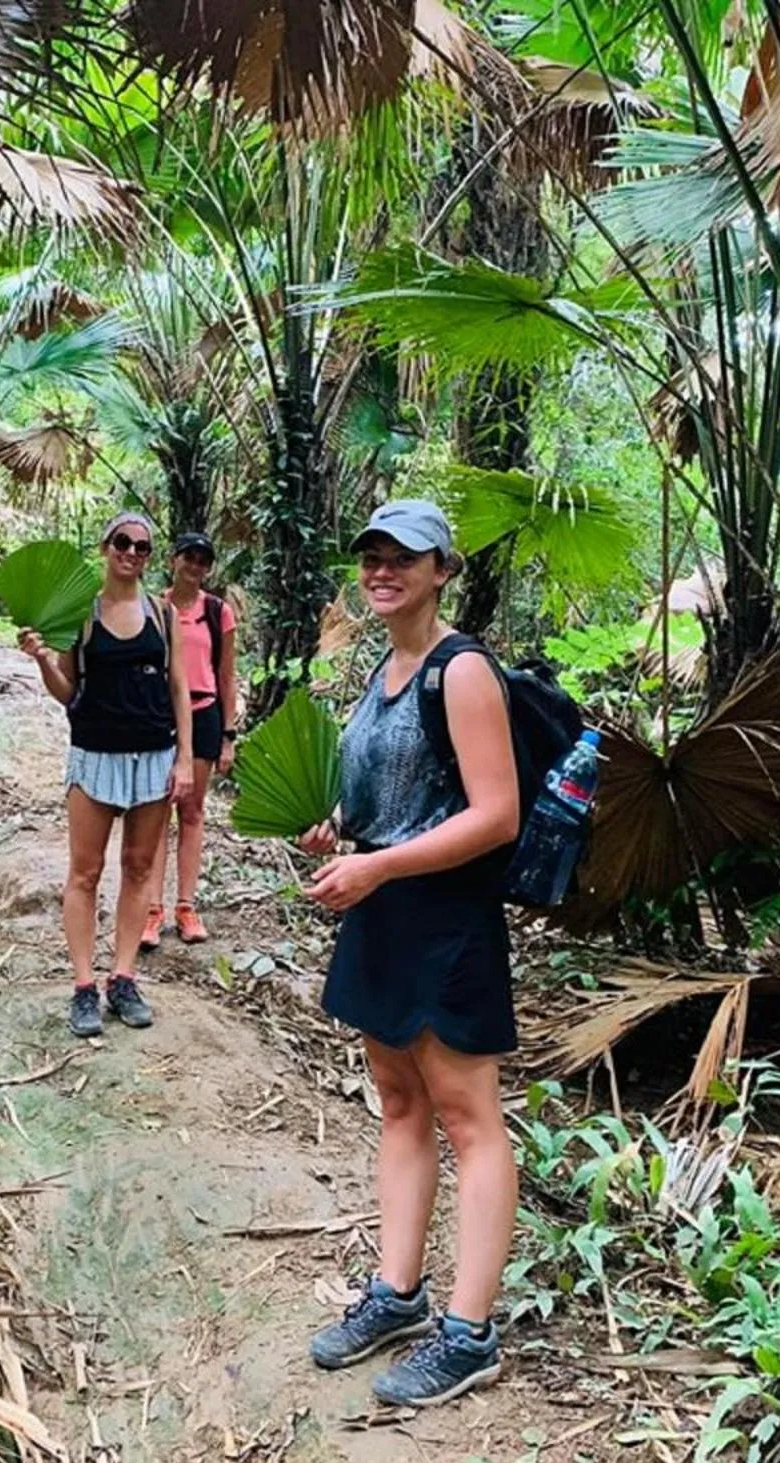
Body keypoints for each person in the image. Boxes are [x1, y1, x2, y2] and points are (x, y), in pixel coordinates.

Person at [298, 499, 523, 1408]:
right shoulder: (382, 669)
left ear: (442, 570)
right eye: (373, 556)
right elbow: (383, 801)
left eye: (405, 557)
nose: (384, 569)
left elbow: (494, 814)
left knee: (468, 1116)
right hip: (382, 912)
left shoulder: (460, 671)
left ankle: (469, 1334)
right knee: (397, 1102)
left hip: (446, 920)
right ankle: (398, 1295)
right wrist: (339, 832)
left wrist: (380, 862)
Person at [20, 512, 195, 1038]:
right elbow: (68, 691)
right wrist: (42, 661)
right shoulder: (82, 613)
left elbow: (179, 689)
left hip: (152, 755)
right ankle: (82, 985)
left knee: (140, 867)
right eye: (123, 542)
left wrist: (185, 758)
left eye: (142, 546)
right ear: (106, 547)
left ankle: (122, 977)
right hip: (95, 754)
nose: (132, 553)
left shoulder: (163, 614)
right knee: (85, 871)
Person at [142, 532, 238, 949]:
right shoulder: (152, 608)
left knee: (193, 810)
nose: (195, 566)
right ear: (173, 560)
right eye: (189, 557)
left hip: (204, 715)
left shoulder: (218, 613)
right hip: (158, 716)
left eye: (203, 560)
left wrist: (229, 736)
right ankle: (151, 910)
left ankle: (185, 905)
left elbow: (226, 676)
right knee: (157, 811)